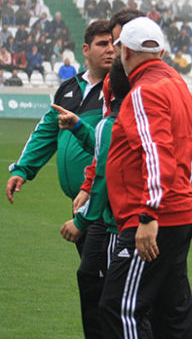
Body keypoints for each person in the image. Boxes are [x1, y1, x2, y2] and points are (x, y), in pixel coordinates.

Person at [5, 20, 113, 336]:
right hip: (79, 202)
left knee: (103, 284)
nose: (109, 49)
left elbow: (110, 146)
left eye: (112, 44)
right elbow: (46, 131)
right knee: (94, 283)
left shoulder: (117, 90)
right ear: (85, 49)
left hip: (104, 203)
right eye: (102, 44)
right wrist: (23, 169)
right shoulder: (68, 88)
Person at [99, 16, 192, 338]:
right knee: (172, 311)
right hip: (180, 211)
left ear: (125, 52)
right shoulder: (176, 82)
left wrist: (148, 213)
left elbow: (155, 152)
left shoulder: (145, 90)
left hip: (154, 216)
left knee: (120, 308)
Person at [53, 56, 130, 339]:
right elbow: (103, 156)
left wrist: (82, 222)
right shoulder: (114, 122)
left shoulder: (116, 122)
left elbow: (105, 177)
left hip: (124, 222)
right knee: (97, 283)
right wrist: (77, 127)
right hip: (125, 219)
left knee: (123, 303)